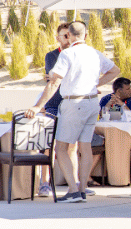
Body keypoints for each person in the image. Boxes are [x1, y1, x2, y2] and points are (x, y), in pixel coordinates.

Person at [27, 21, 119, 203]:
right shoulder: (95, 53)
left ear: (68, 36)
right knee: (84, 147)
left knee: (61, 148)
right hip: (92, 103)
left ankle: (73, 190)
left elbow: (54, 82)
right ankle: (82, 189)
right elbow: (115, 70)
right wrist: (96, 85)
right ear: (85, 35)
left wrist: (38, 106)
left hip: (74, 102)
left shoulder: (67, 54)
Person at [38, 22, 72, 197]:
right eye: (63, 35)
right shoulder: (51, 55)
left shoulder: (77, 54)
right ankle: (44, 183)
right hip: (53, 103)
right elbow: (53, 79)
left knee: (72, 146)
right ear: (57, 37)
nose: (67, 39)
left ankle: (75, 183)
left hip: (71, 105)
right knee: (48, 146)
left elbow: (55, 77)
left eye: (69, 35)